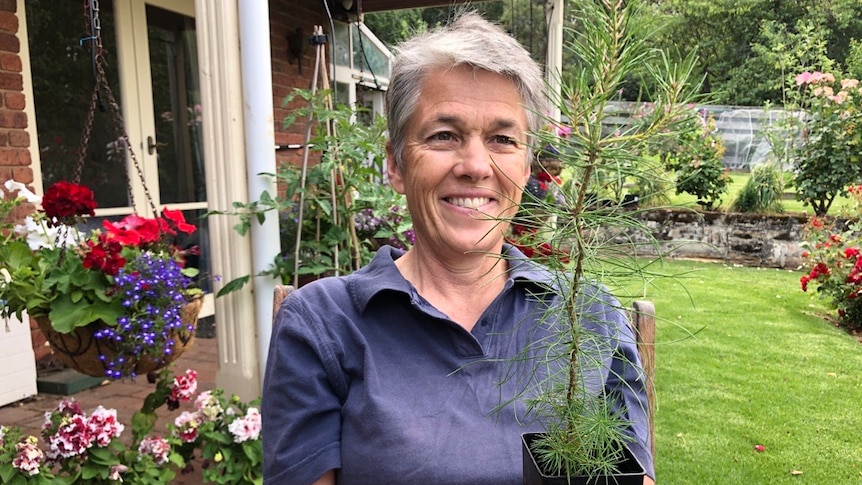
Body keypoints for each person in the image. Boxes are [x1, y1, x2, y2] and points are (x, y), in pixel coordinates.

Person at [262, 12, 655, 485]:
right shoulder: (323, 325)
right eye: (444, 135)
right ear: (396, 164)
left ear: (527, 168)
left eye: (502, 139)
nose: (475, 165)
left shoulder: (589, 315)